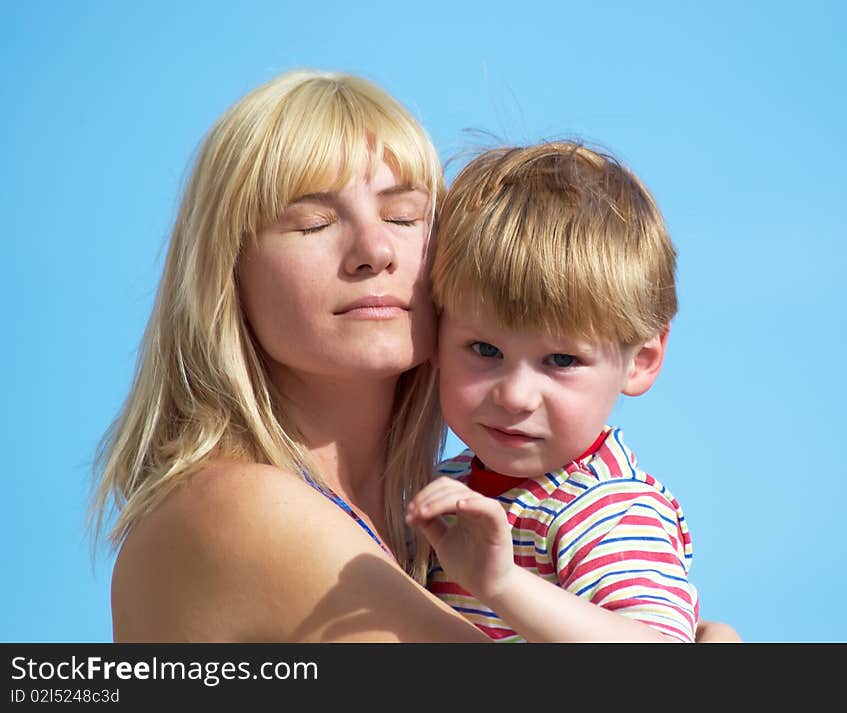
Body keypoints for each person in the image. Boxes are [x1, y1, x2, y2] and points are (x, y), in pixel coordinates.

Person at [90, 69, 739, 643]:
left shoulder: (427, 515)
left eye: (404, 215)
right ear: (225, 274)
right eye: (313, 223)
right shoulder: (241, 507)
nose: (374, 248)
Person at [406, 142, 699, 642]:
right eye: (484, 349)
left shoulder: (607, 505)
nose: (516, 395)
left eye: (561, 360)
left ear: (642, 360)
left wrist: (501, 584)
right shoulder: (449, 483)